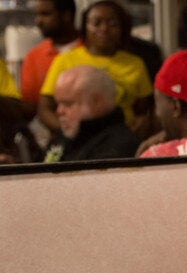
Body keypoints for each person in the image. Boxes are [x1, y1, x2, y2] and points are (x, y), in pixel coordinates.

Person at [38, 0, 153, 139]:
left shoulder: (135, 64)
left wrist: (141, 124)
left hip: (121, 141)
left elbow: (143, 110)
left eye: (112, 24)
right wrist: (67, 132)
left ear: (123, 28)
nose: (104, 29)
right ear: (85, 27)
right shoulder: (65, 60)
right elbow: (44, 109)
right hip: (76, 141)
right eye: (96, 23)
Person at [42, 65, 139, 162]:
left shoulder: (119, 145)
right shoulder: (65, 137)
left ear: (96, 101)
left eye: (68, 104)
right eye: (58, 103)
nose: (59, 111)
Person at [20, 0, 81, 120]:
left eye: (45, 14)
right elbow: (30, 106)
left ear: (66, 16)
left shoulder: (92, 50)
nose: (38, 21)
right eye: (37, 15)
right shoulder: (34, 57)